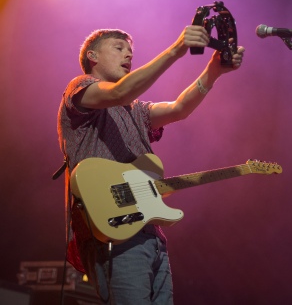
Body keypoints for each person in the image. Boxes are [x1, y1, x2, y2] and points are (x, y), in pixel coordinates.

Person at [57, 25, 245, 304]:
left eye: (130, 50)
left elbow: (179, 109)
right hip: (113, 233)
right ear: (93, 56)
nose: (128, 55)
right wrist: (176, 49)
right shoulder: (80, 88)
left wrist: (214, 70)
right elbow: (118, 93)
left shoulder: (135, 110)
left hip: (149, 235)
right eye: (118, 48)